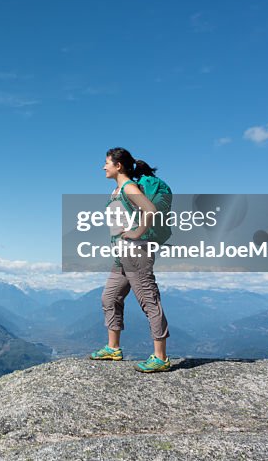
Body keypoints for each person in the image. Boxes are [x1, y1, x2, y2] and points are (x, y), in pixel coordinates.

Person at [88, 147, 171, 372]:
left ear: (118, 166)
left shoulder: (129, 187)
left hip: (137, 252)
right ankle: (113, 348)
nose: (103, 167)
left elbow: (150, 210)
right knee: (110, 297)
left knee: (148, 301)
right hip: (122, 254)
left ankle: (161, 358)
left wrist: (136, 233)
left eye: (107, 163)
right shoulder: (117, 190)